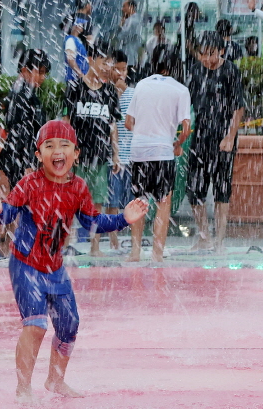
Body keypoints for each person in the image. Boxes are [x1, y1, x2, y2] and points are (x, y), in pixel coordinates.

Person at [0, 120, 148, 401]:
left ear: (76, 153)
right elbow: (9, 212)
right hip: (25, 263)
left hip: (54, 267)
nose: (57, 151)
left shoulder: (79, 188)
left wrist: (123, 219)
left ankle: (55, 380)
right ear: (38, 155)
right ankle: (23, 387)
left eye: (64, 146)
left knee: (69, 324)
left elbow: (93, 223)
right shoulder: (30, 184)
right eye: (49, 146)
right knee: (35, 325)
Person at [124, 45, 191, 262]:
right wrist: (177, 143)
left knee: (139, 201)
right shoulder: (180, 89)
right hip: (163, 151)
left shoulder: (141, 85)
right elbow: (186, 128)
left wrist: (144, 133)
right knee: (163, 202)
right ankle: (157, 254)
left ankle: (135, 252)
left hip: (139, 151)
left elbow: (128, 123)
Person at [185, 33, 246, 253]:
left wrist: (230, 137)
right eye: (203, 54)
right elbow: (186, 103)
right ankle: (204, 237)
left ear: (221, 51)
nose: (207, 59)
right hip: (200, 136)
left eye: (211, 53)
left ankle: (219, 241)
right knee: (194, 190)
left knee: (222, 190)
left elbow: (238, 107)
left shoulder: (230, 70)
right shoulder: (195, 71)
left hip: (223, 138)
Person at [64, 45, 122, 255]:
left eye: (110, 64)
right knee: (71, 200)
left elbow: (113, 126)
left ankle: (95, 246)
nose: (108, 68)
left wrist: (116, 154)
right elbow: (66, 122)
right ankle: (68, 244)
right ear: (91, 59)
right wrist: (68, 151)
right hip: (78, 157)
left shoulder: (109, 92)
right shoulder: (75, 87)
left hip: (100, 156)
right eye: (104, 62)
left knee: (96, 202)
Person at [0, 49, 51, 188]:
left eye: (44, 73)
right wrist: (28, 163)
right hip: (21, 158)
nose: (42, 77)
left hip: (20, 157)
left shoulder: (23, 92)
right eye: (39, 72)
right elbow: (23, 130)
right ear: (24, 71)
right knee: (24, 201)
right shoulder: (22, 95)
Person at [104, 50, 134, 252]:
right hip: (112, 158)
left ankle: (132, 239)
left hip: (131, 156)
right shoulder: (104, 92)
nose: (121, 74)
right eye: (118, 69)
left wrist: (125, 93)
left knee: (131, 201)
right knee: (112, 201)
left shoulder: (133, 93)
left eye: (124, 69)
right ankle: (113, 241)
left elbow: (134, 123)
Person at [117, 0, 148, 68]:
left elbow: (121, 36)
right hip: (130, 54)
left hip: (131, 55)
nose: (122, 9)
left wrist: (120, 26)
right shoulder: (132, 19)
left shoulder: (132, 21)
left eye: (124, 6)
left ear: (131, 7)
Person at [63, 14, 90, 82]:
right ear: (75, 26)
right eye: (80, 24)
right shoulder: (70, 40)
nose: (82, 27)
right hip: (74, 79)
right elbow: (70, 58)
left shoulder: (78, 40)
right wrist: (79, 73)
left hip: (80, 78)